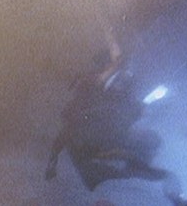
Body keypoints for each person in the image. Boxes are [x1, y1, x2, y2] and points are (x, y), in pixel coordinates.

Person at [45, 26, 166, 191]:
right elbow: (68, 130)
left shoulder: (121, 86)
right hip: (92, 137)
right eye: (110, 64)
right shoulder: (90, 84)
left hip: (109, 134)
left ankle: (137, 166)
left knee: (144, 142)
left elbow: (131, 106)